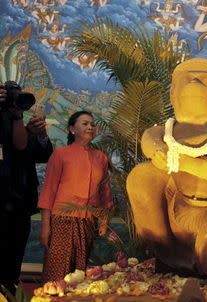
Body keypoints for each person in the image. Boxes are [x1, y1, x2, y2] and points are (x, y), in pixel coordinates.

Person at [126, 58, 207, 280]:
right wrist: (159, 154)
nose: (194, 80)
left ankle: (205, 262)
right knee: (142, 175)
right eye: (186, 79)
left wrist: (183, 162)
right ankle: (170, 253)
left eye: (205, 79)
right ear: (173, 95)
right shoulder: (165, 131)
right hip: (173, 209)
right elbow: (149, 141)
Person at [38, 111, 113, 282]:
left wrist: (104, 221)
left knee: (79, 275)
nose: (90, 127)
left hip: (87, 222)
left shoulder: (101, 158)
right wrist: (45, 227)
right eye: (85, 123)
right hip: (61, 221)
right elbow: (48, 192)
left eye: (92, 124)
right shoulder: (60, 154)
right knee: (57, 274)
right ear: (72, 129)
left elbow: (105, 193)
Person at [0, 83, 53, 295]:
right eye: (12, 95)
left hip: (20, 204)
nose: (16, 100)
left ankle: (10, 294)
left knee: (13, 264)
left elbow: (43, 155)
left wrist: (39, 135)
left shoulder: (22, 123)